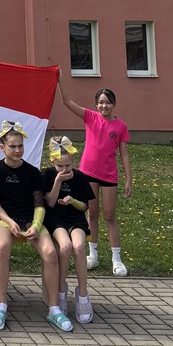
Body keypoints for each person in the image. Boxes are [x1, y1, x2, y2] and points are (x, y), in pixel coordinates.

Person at [0, 122, 72, 333]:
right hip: (5, 219)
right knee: (2, 247)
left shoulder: (33, 172)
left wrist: (36, 225)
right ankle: (1, 304)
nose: (17, 150)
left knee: (50, 252)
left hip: (31, 219)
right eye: (12, 146)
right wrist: (9, 221)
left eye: (20, 146)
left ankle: (53, 308)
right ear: (2, 147)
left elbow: (39, 205)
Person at [58, 74, 132, 276]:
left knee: (109, 216)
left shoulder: (120, 126)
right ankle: (93, 255)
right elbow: (67, 102)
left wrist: (128, 179)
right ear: (96, 104)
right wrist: (60, 81)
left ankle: (116, 259)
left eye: (108, 102)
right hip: (88, 174)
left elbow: (124, 154)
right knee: (92, 213)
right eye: (100, 102)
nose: (104, 106)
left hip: (109, 176)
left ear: (114, 104)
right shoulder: (90, 117)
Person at [44, 135, 95, 323]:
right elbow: (49, 203)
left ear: (73, 161)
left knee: (79, 247)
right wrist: (58, 181)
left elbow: (84, 207)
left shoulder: (80, 177)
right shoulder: (47, 175)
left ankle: (83, 294)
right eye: (60, 166)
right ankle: (61, 291)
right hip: (55, 219)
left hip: (75, 219)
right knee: (65, 247)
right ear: (53, 162)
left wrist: (72, 201)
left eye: (68, 165)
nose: (64, 170)